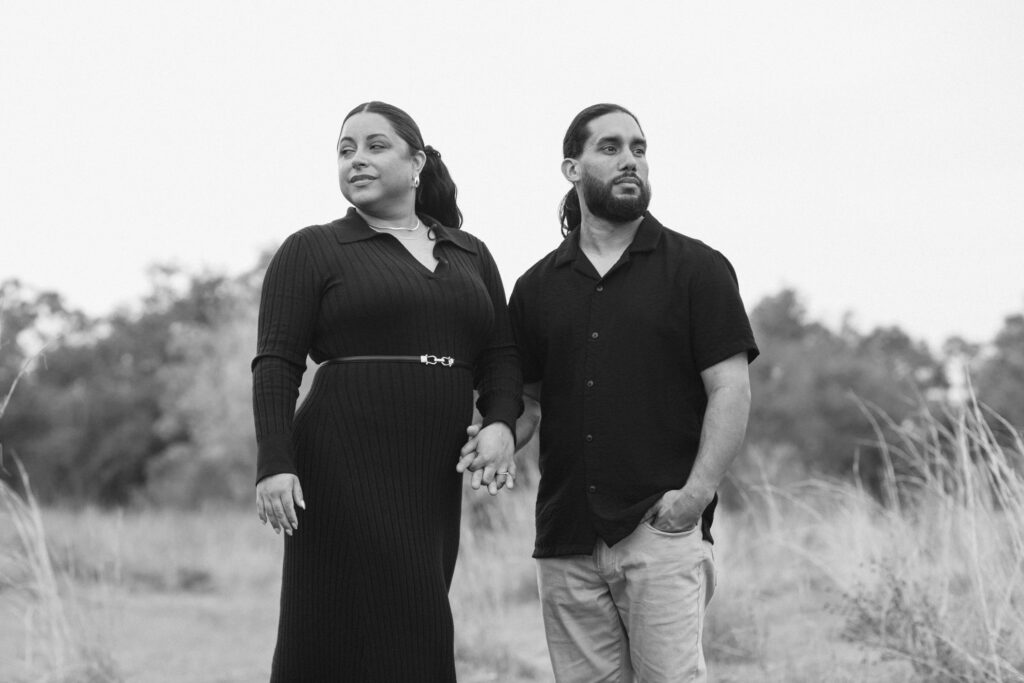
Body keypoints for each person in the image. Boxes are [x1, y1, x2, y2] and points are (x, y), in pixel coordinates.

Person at [471, 103, 759, 682]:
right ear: (571, 168)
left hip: (661, 531)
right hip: (566, 538)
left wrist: (694, 498)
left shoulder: (698, 270)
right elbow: (527, 401)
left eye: (639, 148)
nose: (630, 160)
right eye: (610, 148)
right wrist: (496, 439)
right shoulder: (535, 287)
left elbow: (731, 388)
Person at [252, 101, 521, 682]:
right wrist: (275, 463)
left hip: (429, 467)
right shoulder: (313, 248)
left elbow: (500, 356)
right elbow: (276, 362)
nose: (357, 160)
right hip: (340, 459)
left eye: (375, 146)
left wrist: (500, 422)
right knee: (334, 624)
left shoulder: (470, 253)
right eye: (346, 149)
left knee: (419, 614)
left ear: (417, 161)